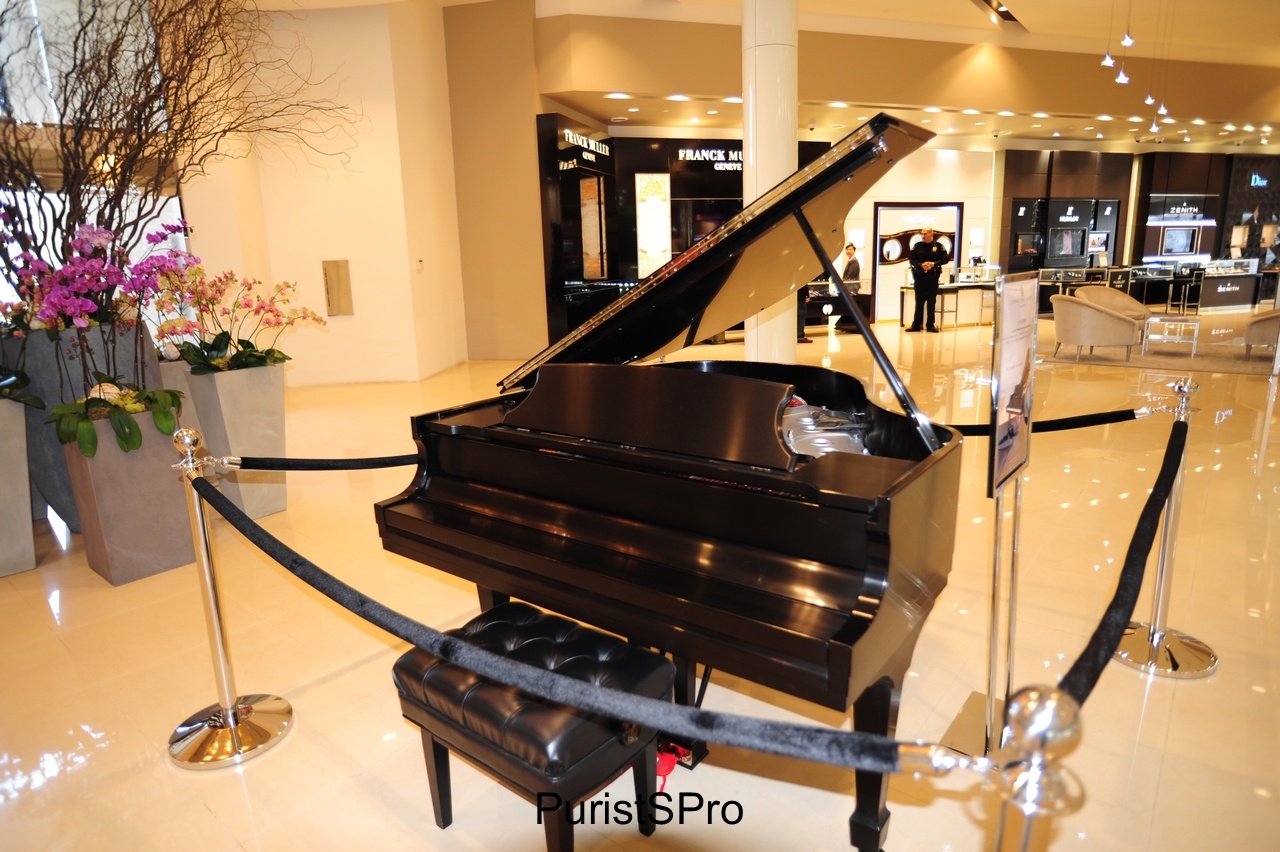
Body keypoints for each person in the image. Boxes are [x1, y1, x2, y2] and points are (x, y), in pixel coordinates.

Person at [907, 227, 949, 332]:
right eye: (922, 234)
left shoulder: (938, 247)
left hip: (932, 278)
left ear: (931, 234)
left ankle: (930, 324)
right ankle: (916, 324)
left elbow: (945, 259)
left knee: (931, 301)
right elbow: (911, 259)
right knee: (919, 301)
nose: (923, 236)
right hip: (920, 277)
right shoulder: (917, 246)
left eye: (925, 234)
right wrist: (921, 265)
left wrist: (933, 264)